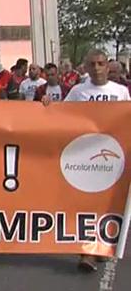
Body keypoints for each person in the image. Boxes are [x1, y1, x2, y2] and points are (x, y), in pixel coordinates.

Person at [44, 49, 130, 272]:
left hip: (112, 157)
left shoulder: (120, 91)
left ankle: (102, 245)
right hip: (84, 156)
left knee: (109, 203)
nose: (97, 68)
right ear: (86, 66)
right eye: (92, 64)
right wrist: (47, 105)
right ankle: (87, 251)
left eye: (101, 63)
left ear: (107, 66)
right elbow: (61, 115)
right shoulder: (78, 91)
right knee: (87, 203)